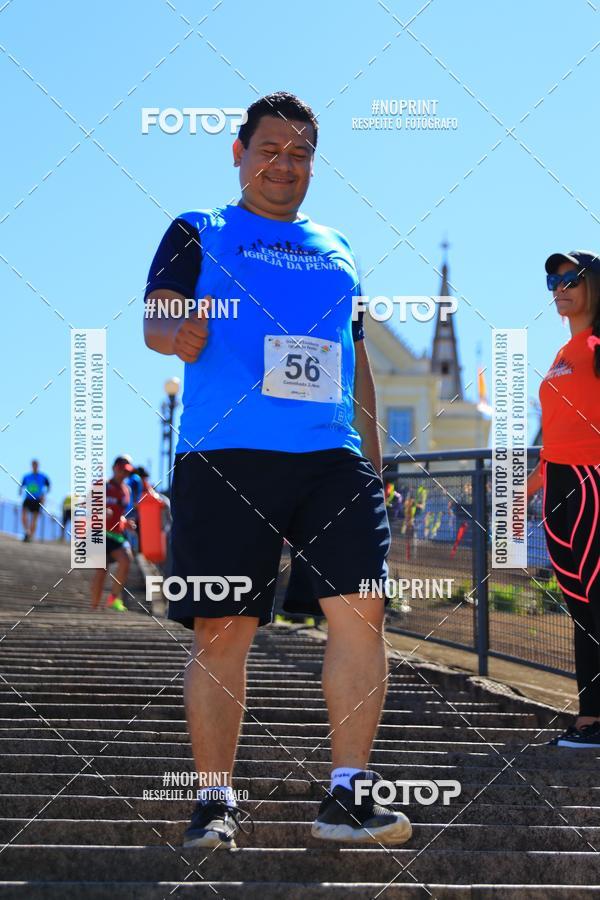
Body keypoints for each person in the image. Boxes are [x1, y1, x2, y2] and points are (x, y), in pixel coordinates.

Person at [144, 92, 412, 849]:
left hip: (332, 459)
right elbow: (155, 317)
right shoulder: (198, 229)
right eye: (269, 150)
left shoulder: (340, 247)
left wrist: (373, 455)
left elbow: (355, 355)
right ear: (239, 152)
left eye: (299, 154)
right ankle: (214, 801)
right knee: (223, 629)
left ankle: (348, 797)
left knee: (364, 613)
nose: (283, 165)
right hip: (226, 455)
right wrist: (178, 332)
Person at [527, 250, 600, 749]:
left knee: (598, 598)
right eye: (552, 281)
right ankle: (590, 717)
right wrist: (524, 489)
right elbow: (555, 436)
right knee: (579, 604)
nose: (559, 287)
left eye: (571, 278)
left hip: (593, 480)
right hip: (558, 486)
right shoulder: (562, 353)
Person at [90, 456, 136, 613]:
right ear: (115, 468)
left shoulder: (126, 490)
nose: (125, 474)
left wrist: (126, 523)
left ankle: (113, 599)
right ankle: (94, 608)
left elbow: (120, 514)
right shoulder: (102, 484)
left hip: (116, 534)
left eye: (127, 472)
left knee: (126, 559)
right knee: (101, 570)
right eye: (122, 470)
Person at [19, 460, 50, 542]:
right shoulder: (27, 476)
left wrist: (44, 496)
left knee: (34, 519)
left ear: (38, 466)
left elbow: (48, 486)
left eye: (36, 465)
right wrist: (19, 491)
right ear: (31, 466)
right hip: (28, 498)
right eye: (33, 465)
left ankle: (30, 536)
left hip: (37, 500)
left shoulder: (43, 476)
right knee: (23, 515)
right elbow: (22, 485)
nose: (34, 466)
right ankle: (27, 531)